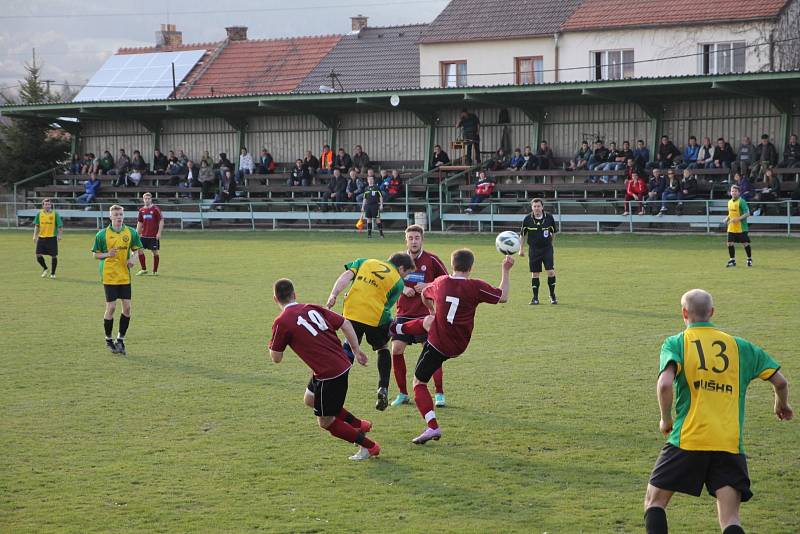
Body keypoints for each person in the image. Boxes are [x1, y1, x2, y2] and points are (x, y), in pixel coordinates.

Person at [643, 289, 792, 534]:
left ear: (683, 313)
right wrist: (781, 404)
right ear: (711, 313)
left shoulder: (677, 342)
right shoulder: (740, 346)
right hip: (728, 442)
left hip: (688, 439)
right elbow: (781, 382)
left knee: (654, 502)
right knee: (731, 520)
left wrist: (665, 419)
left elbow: (665, 384)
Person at [389, 250, 513, 444]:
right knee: (429, 321)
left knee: (419, 383)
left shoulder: (441, 282)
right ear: (470, 267)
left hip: (439, 343)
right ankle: (396, 327)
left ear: (452, 264)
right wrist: (505, 269)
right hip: (460, 343)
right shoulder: (476, 287)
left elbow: (424, 293)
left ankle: (432, 427)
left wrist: (431, 308)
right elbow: (503, 296)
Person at [268, 278, 380, 461]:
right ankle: (360, 424)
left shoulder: (282, 321)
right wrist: (356, 350)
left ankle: (369, 447)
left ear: (275, 299)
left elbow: (276, 358)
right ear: (295, 294)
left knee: (325, 421)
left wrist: (272, 345)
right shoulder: (312, 307)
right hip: (336, 364)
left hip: (330, 374)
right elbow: (345, 323)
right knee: (310, 399)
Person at [326, 253, 416, 411]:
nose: (405, 276)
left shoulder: (364, 262)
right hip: (375, 317)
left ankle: (335, 383)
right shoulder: (399, 282)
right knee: (382, 348)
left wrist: (334, 294)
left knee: (349, 345)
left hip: (351, 311)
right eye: (406, 273)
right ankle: (383, 387)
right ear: (401, 267)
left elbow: (346, 276)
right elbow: (386, 305)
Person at [390, 225, 449, 408]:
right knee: (396, 350)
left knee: (432, 354)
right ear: (405, 240)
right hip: (404, 314)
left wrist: (428, 286)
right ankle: (402, 394)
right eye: (410, 238)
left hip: (426, 315)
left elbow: (447, 281)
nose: (414, 241)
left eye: (417, 238)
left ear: (422, 239)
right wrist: (403, 287)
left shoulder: (432, 260)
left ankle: (439, 394)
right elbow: (388, 282)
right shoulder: (396, 260)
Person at [91, 204, 143, 355]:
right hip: (109, 275)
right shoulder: (102, 235)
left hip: (124, 275)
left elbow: (138, 250)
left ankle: (120, 340)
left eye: (121, 214)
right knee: (112, 307)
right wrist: (107, 254)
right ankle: (108, 339)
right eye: (116, 215)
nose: (119, 217)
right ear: (110, 217)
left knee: (127, 308)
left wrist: (133, 259)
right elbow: (95, 254)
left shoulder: (131, 232)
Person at [519, 198, 557, 305]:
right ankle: (535, 298)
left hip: (547, 249)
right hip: (534, 250)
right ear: (532, 207)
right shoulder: (527, 219)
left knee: (550, 272)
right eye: (534, 206)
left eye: (538, 206)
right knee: (535, 274)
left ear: (542, 207)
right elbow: (522, 235)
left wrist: (551, 244)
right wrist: (521, 249)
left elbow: (554, 232)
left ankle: (552, 295)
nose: (536, 208)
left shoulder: (549, 218)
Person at [33, 198, 63, 278]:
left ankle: (53, 273)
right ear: (43, 205)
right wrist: (34, 236)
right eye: (45, 204)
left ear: (51, 205)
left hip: (52, 238)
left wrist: (59, 235)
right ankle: (45, 268)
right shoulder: (39, 214)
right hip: (41, 237)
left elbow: (60, 226)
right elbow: (37, 226)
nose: (47, 206)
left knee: (54, 256)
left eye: (49, 204)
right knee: (38, 255)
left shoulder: (55, 214)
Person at [135, 192, 163, 276]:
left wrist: (159, 232)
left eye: (148, 198)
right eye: (145, 199)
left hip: (153, 236)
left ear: (151, 199)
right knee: (139, 251)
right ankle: (143, 269)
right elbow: (140, 222)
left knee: (155, 252)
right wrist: (137, 233)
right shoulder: (141, 210)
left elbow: (161, 221)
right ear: (143, 200)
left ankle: (155, 271)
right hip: (143, 236)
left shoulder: (155, 209)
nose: (147, 200)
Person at [724, 184, 752, 268]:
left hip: (741, 228)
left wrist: (738, 219)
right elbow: (730, 213)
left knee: (745, 243)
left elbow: (747, 213)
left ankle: (749, 259)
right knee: (729, 243)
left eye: (735, 191)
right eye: (732, 191)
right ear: (730, 192)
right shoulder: (729, 202)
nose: (734, 193)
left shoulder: (742, 201)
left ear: (739, 193)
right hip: (731, 227)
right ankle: (732, 260)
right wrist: (727, 218)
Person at [360, 174, 383, 238]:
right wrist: (362, 207)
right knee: (368, 219)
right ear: (367, 180)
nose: (370, 180)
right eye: (369, 179)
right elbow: (364, 198)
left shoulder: (376, 188)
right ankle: (369, 234)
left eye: (371, 179)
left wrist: (381, 205)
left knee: (377, 219)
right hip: (368, 206)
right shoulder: (366, 188)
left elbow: (380, 197)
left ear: (373, 180)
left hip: (375, 205)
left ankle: (381, 234)